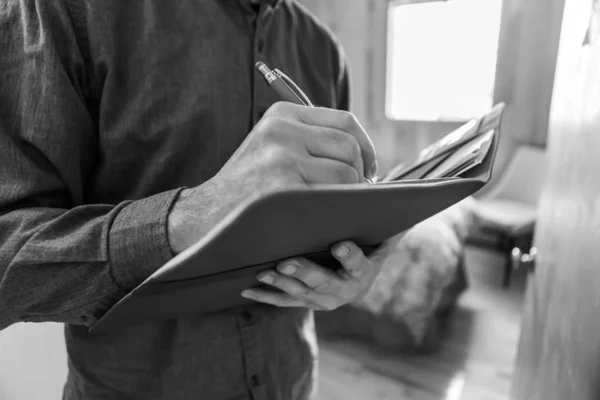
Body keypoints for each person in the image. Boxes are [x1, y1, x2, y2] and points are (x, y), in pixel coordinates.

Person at [0, 0, 391, 398]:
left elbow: (329, 217)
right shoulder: (64, 10)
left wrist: (353, 270)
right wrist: (192, 216)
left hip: (294, 383)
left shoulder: (324, 48)